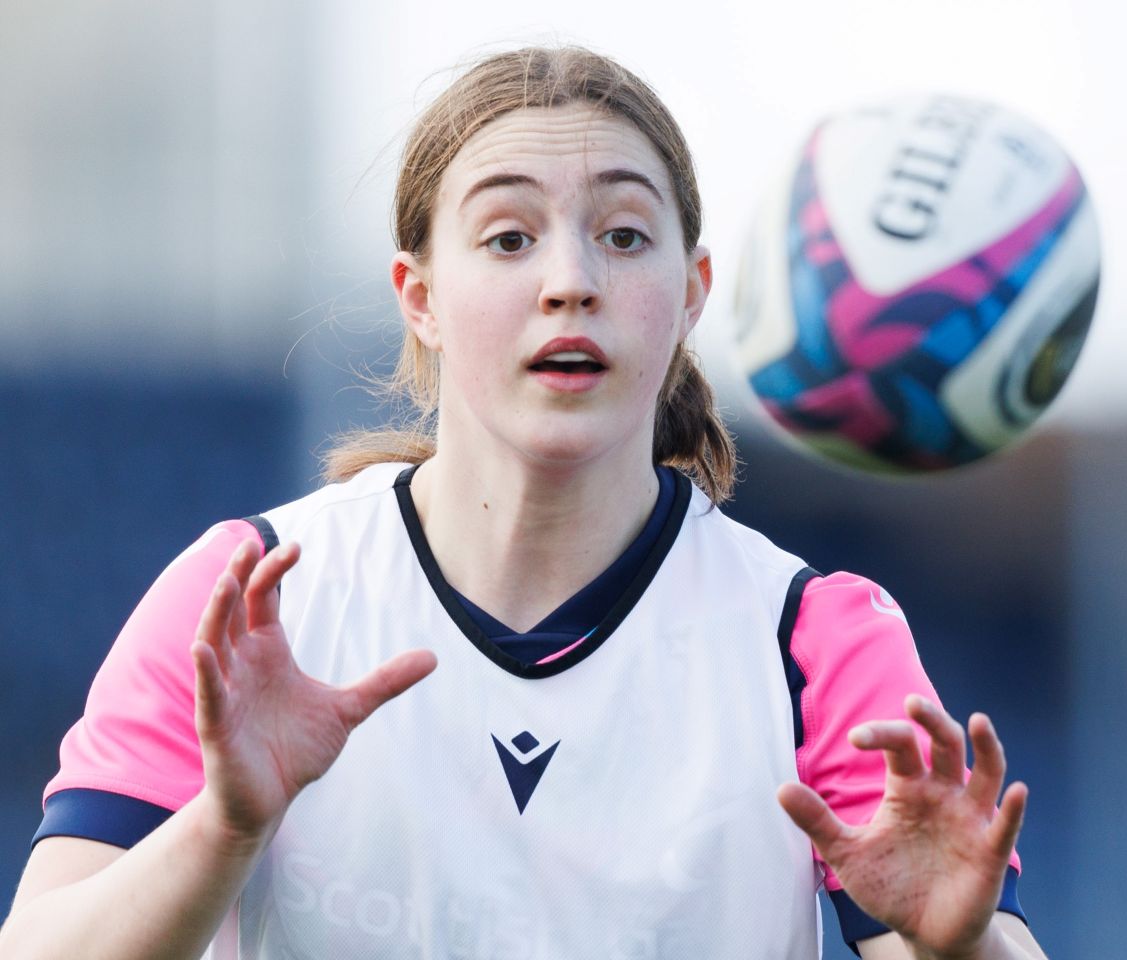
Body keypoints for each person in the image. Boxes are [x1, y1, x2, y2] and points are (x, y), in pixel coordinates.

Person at [0, 46, 1048, 960]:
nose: (569, 280)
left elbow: (955, 941)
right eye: (508, 238)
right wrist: (224, 826)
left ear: (692, 292)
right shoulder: (256, 599)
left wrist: (963, 946)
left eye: (626, 236)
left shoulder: (809, 638)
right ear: (420, 296)